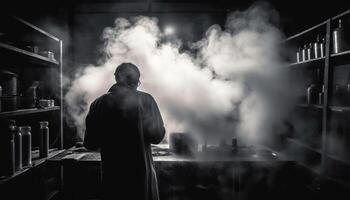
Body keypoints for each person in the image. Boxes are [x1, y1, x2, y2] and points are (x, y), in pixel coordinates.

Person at [83, 62, 165, 200]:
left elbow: (90, 143)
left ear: (116, 78)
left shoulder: (98, 104)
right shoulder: (147, 100)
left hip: (113, 180)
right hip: (142, 180)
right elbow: (157, 136)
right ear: (136, 81)